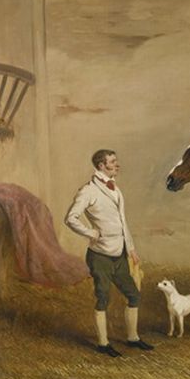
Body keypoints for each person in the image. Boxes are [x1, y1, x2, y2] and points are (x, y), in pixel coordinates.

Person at [65, 149, 153, 357]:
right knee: (103, 298)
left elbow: (123, 223)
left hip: (120, 252)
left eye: (116, 161)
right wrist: (90, 232)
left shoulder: (116, 189)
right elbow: (71, 218)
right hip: (100, 255)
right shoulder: (88, 191)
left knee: (133, 295)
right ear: (101, 166)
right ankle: (103, 344)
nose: (117, 164)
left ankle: (133, 338)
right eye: (113, 162)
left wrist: (131, 249)